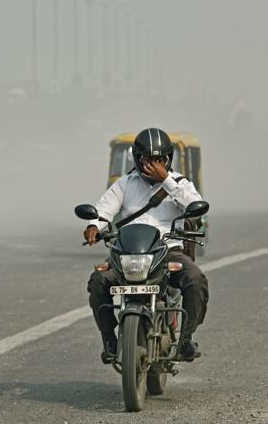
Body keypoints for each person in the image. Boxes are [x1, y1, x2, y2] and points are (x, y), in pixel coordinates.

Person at [85, 128, 209, 363]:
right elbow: (103, 210)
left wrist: (167, 181)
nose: (154, 165)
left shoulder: (180, 184)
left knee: (196, 279)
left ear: (168, 159)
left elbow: (196, 204)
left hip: (167, 252)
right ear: (138, 159)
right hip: (128, 253)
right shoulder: (125, 184)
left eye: (159, 160)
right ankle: (110, 340)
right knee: (98, 281)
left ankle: (185, 340)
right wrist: (95, 226)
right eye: (148, 160)